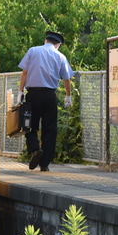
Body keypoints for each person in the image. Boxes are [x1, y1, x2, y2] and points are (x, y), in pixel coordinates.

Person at [17, 31, 75, 171]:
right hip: (50, 96)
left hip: (33, 94)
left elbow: (24, 72)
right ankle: (44, 164)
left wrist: (20, 91)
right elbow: (67, 78)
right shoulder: (60, 56)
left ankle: (35, 149)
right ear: (58, 45)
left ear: (45, 40)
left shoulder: (33, 51)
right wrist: (68, 96)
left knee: (29, 125)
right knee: (50, 129)